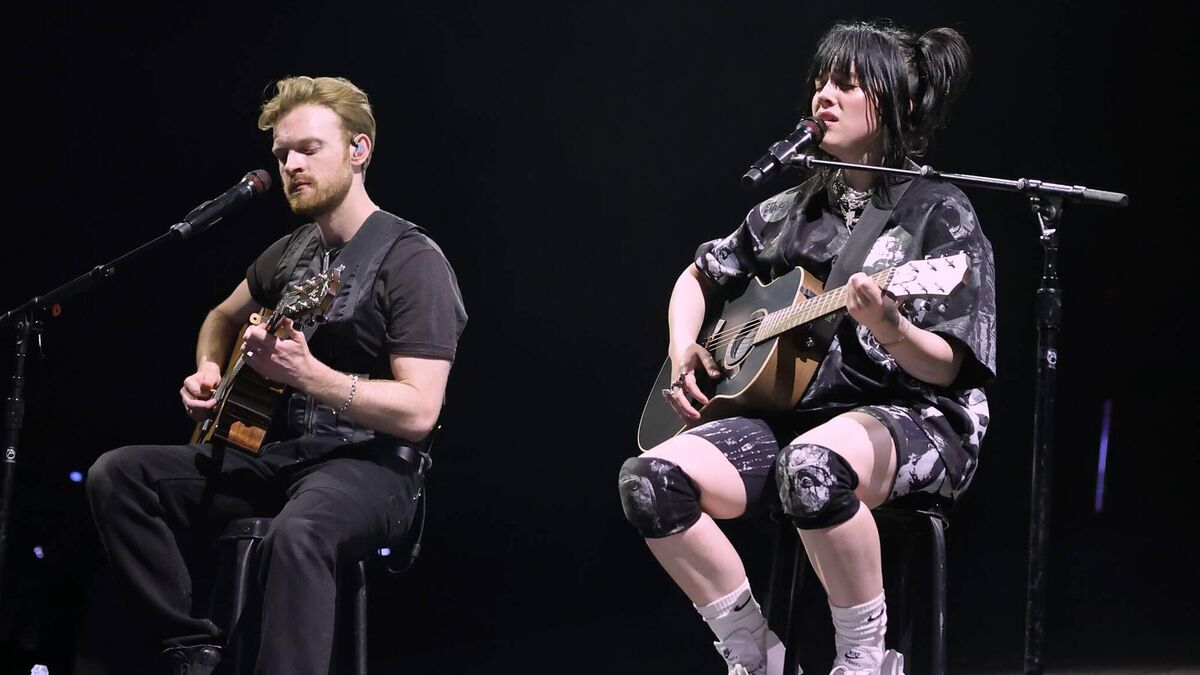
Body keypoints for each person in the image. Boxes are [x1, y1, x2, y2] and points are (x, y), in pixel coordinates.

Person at [618, 20, 995, 675]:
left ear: (900, 103)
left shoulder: (939, 211)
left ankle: (863, 660)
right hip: (797, 420)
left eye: (847, 83)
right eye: (821, 80)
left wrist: (891, 327)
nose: (824, 94)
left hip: (918, 417)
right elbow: (697, 278)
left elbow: (947, 366)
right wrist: (683, 348)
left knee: (811, 466)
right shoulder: (787, 210)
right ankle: (757, 656)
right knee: (649, 481)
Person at [85, 75, 467, 675]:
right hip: (282, 458)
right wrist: (210, 369)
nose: (290, 166)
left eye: (308, 149)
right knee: (121, 476)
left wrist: (311, 376)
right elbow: (221, 316)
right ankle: (191, 651)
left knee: (298, 533)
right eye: (282, 153)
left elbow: (420, 412)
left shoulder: (412, 260)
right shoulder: (292, 251)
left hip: (373, 468)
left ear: (359, 150)